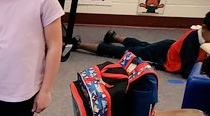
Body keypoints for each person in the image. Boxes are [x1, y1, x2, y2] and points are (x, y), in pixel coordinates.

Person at [73, 13, 210, 78]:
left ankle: (113, 36)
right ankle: (79, 44)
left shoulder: (200, 35)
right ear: (204, 28)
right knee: (126, 52)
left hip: (167, 47)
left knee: (140, 45)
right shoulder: (192, 42)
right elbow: (187, 72)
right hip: (163, 54)